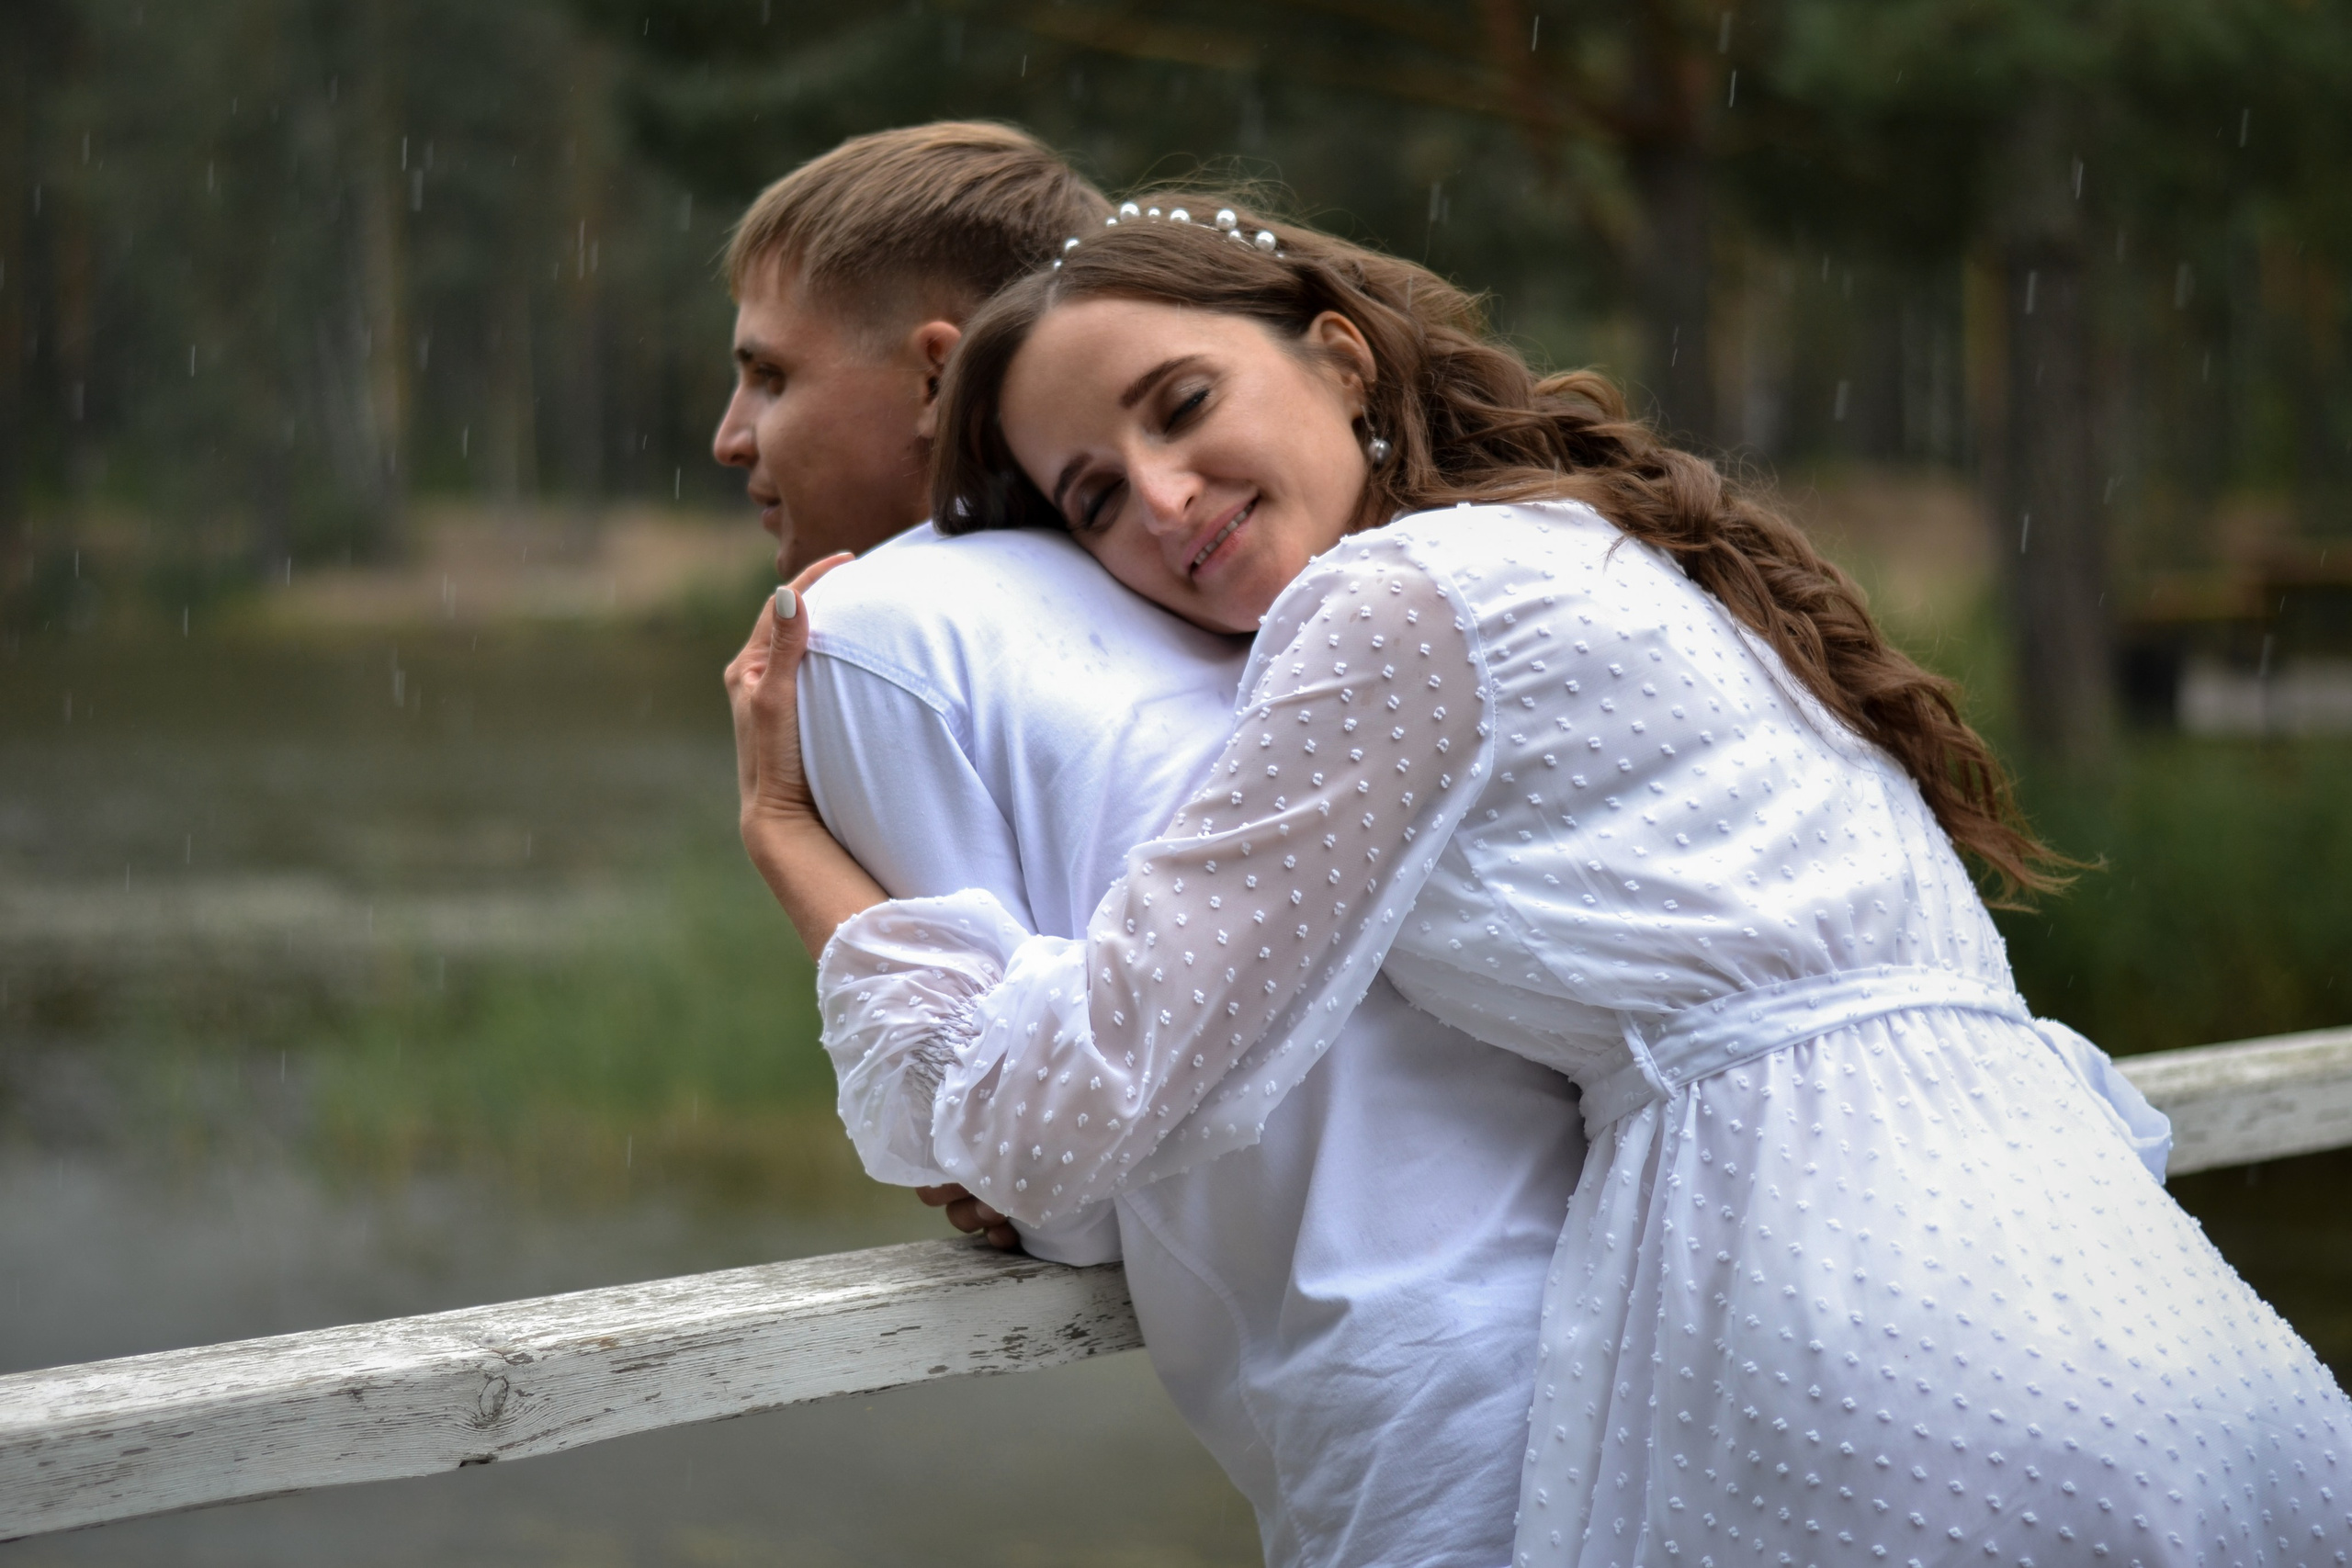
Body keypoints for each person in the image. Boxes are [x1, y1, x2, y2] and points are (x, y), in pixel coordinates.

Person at [729, 199, 2352, 1568]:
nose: (1161, 500)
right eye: (1094, 496)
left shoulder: (1392, 611)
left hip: (1860, 1330)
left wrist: (796, 835)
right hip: (2112, 1278)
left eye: (1177, 405)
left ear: (1338, 354)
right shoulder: (1591, 548)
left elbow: (1065, 1117)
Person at [713, 126, 1587, 1567]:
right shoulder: (1248, 586)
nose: (731, 437)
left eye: (769, 374)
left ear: (942, 373)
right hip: (1603, 1310)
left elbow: (1061, 1193)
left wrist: (782, 828)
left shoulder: (865, 634)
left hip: (1407, 1395)